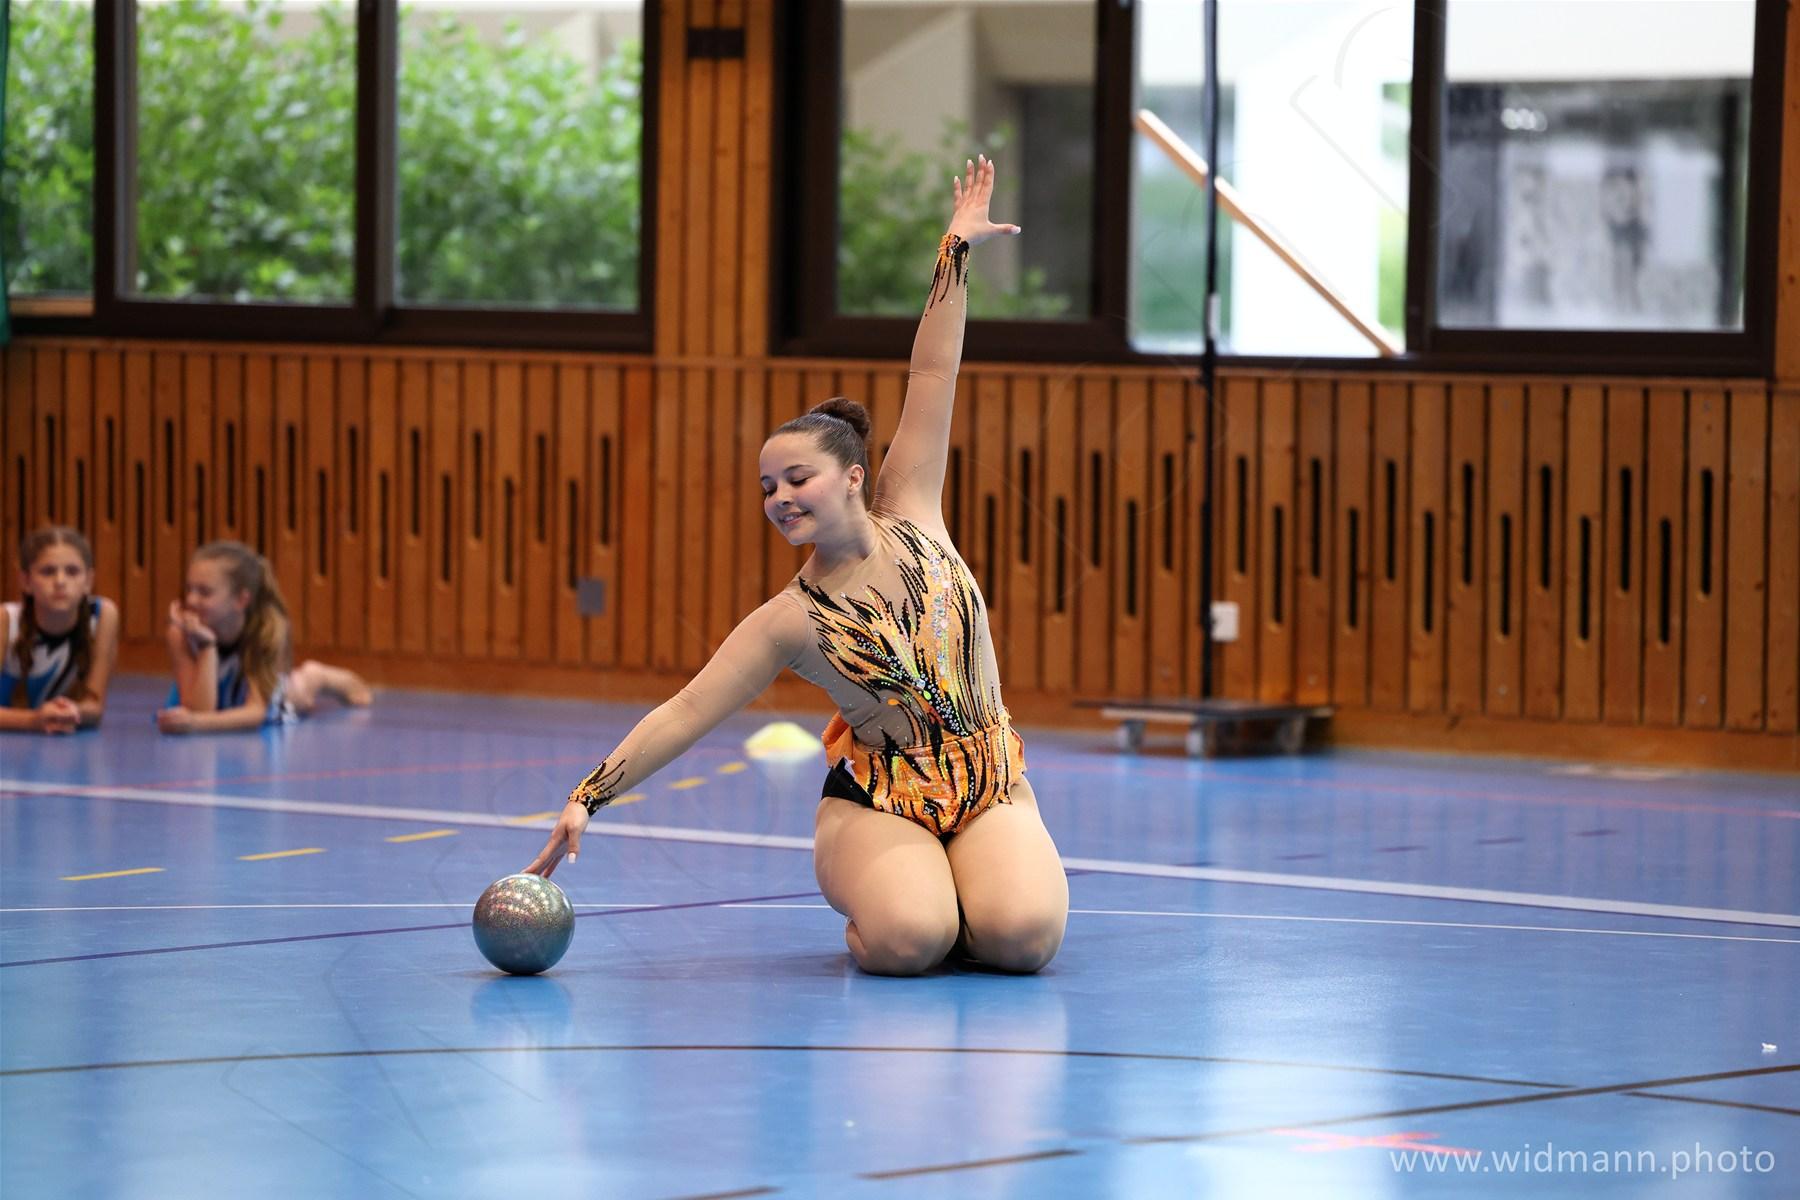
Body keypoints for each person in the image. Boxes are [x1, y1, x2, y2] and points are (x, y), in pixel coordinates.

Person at [527, 156, 1068, 975]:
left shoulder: (913, 505)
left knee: (1022, 941)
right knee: (907, 944)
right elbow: (687, 710)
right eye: (767, 488)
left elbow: (933, 371)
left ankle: (968, 891)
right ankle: (901, 901)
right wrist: (587, 797)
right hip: (883, 802)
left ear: (852, 476)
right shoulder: (792, 620)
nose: (779, 497)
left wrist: (954, 250)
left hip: (989, 782)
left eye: (796, 478)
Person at [158, 540, 372, 734]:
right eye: (189, 589)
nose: (191, 600)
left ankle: (317, 675)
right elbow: (200, 710)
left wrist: (196, 723)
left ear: (241, 600)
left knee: (298, 695)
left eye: (204, 592)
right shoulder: (180, 634)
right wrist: (208, 647)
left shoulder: (267, 630)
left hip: (259, 699)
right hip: (213, 701)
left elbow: (256, 711)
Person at [0, 527, 121, 734]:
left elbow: (94, 707)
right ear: (26, 581)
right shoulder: (6, 620)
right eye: (48, 572)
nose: (60, 582)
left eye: (72, 571)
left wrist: (73, 712)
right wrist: (33, 720)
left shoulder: (103, 615)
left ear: (88, 581)